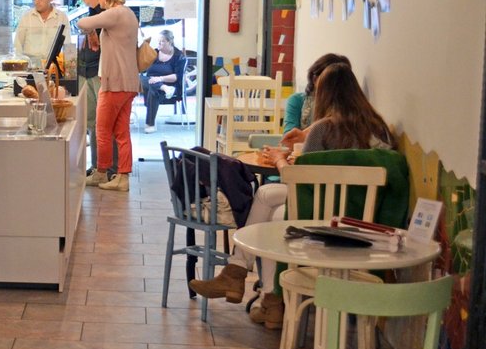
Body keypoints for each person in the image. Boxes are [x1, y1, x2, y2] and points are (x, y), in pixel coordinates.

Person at [189, 62, 395, 327]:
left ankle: (257, 290)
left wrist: (278, 159)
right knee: (271, 207)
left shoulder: (325, 129)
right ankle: (253, 287)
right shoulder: (379, 128)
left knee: (270, 210)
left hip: (323, 216)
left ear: (326, 95)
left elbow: (301, 181)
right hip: (362, 215)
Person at [75, 0, 140, 192]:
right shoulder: (128, 13)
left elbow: (82, 22)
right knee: (121, 133)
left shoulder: (114, 13)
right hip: (129, 82)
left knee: (102, 129)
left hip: (114, 82)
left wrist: (92, 29)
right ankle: (122, 177)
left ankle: (101, 172)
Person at [74, 0, 108, 178]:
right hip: (86, 70)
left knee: (101, 123)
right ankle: (96, 166)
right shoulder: (91, 12)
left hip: (100, 72)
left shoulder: (106, 12)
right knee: (91, 123)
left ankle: (103, 167)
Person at [282, 53, 350, 135]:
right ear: (315, 79)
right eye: (330, 82)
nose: (335, 88)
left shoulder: (350, 108)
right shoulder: (297, 100)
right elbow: (289, 139)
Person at [14, 0, 69, 70]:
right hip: (30, 68)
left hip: (52, 68)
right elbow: (17, 45)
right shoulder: (27, 17)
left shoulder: (61, 17)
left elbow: (67, 45)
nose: (36, 2)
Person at [139, 29, 184, 133]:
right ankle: (150, 124)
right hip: (154, 83)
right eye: (158, 41)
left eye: (162, 41)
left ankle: (150, 124)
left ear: (169, 42)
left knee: (153, 90)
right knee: (141, 79)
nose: (159, 43)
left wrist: (160, 79)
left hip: (169, 84)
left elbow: (177, 76)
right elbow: (143, 68)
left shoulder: (178, 56)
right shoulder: (154, 53)